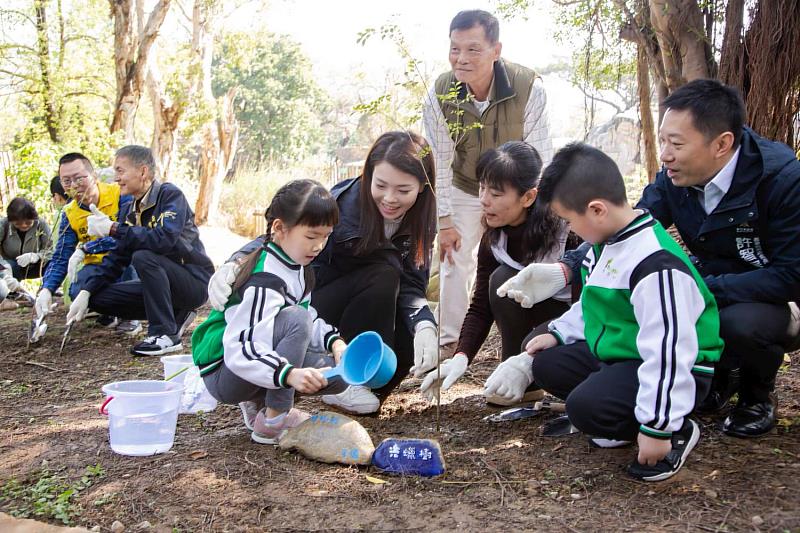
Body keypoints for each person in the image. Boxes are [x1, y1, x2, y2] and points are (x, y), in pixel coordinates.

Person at [500, 79, 800, 437]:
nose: (666, 154)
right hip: (704, 285)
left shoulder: (782, 180)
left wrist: (698, 289)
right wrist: (569, 267)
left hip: (770, 297)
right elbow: (625, 224)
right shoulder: (676, 175)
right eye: (663, 141)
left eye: (676, 143)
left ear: (722, 144)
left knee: (740, 324)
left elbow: (790, 275)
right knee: (554, 347)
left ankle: (755, 395)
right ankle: (695, 387)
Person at [485, 143, 724, 481]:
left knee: (585, 408)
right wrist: (557, 333)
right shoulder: (606, 245)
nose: (573, 232)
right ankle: (622, 413)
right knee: (546, 364)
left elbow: (669, 351)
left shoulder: (655, 263)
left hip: (673, 368)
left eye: (570, 221)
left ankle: (676, 428)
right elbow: (591, 305)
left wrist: (658, 428)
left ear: (596, 209)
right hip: (624, 353)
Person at [207, 131, 438, 415]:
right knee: (383, 275)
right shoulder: (343, 206)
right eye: (381, 185)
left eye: (403, 191)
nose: (390, 199)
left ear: (423, 187)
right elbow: (284, 233)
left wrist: (425, 324)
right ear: (367, 175)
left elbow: (412, 286)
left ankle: (355, 382)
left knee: (404, 342)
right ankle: (287, 391)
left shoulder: (422, 219)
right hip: (309, 303)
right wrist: (235, 262)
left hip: (358, 310)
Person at [422, 9, 554, 350]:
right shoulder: (440, 93)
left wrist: (535, 208)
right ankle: (451, 344)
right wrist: (445, 219)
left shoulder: (528, 87)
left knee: (525, 259)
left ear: (496, 50)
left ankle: (532, 337)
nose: (460, 59)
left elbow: (541, 155)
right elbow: (440, 157)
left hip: (517, 190)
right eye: (454, 48)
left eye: (472, 49)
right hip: (466, 185)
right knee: (454, 257)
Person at [192, 180, 348, 443]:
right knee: (295, 319)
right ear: (279, 228)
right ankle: (274, 417)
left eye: (326, 237)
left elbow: (309, 317)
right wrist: (289, 374)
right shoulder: (265, 276)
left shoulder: (299, 266)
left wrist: (336, 342)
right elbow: (241, 346)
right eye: (311, 236)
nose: (319, 246)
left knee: (338, 374)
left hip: (251, 360)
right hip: (223, 370)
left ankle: (258, 403)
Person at [417, 141, 571, 406]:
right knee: (500, 280)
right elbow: (480, 307)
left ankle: (532, 370)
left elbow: (587, 308)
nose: (484, 200)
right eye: (482, 187)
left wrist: (529, 359)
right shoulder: (495, 238)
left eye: (496, 193)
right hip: (538, 327)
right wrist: (461, 356)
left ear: (528, 196)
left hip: (572, 326)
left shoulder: (568, 233)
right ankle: (522, 382)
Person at [66, 145, 214, 356]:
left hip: (193, 281)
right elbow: (118, 256)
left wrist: (113, 228)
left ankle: (165, 334)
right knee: (98, 296)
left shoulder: (170, 196)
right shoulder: (128, 209)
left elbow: (164, 240)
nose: (116, 178)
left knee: (143, 256)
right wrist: (86, 291)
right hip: (160, 286)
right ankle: (174, 314)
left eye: (120, 170)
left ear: (143, 171)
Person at [34, 153, 140, 334]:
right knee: (76, 290)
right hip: (96, 265)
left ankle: (131, 315)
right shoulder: (69, 213)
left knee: (131, 263)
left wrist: (87, 248)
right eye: (66, 181)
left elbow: (126, 237)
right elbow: (61, 256)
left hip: (126, 261)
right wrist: (47, 289)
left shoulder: (120, 195)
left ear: (94, 176)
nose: (74, 186)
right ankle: (111, 310)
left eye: (79, 178)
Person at [0, 197, 53, 282]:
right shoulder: (3, 225)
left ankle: (47, 289)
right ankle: (12, 292)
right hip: (10, 267)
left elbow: (51, 249)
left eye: (28, 222)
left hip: (36, 265)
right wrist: (4, 264)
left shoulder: (41, 224)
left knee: (54, 264)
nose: (24, 225)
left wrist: (37, 256)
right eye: (18, 223)